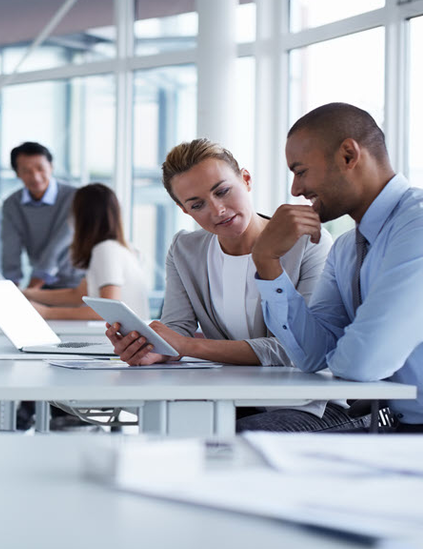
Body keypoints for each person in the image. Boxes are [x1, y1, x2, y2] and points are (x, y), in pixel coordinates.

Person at [250, 102, 423, 434]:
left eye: (300, 171)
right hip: (405, 433)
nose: (296, 190)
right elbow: (312, 355)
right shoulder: (346, 248)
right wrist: (267, 261)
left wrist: (343, 351)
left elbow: (363, 363)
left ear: (348, 155)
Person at [106, 138, 366, 432]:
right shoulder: (185, 250)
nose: (217, 210)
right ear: (184, 210)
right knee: (167, 429)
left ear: (246, 179)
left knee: (226, 438)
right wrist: (156, 348)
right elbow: (177, 327)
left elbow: (294, 350)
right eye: (197, 204)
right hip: (235, 399)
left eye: (223, 191)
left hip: (311, 403)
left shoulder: (308, 244)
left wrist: (188, 346)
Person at [23, 183, 149, 320]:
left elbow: (109, 310)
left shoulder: (106, 250)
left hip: (119, 338)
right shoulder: (122, 248)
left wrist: (47, 313)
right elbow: (77, 294)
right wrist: (26, 294)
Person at [0, 142, 84, 289]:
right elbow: (10, 248)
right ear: (17, 173)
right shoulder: (11, 204)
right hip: (42, 284)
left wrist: (32, 288)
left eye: (40, 168)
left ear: (51, 167)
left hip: (77, 283)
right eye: (26, 171)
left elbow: (58, 245)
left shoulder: (76, 197)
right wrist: (10, 289)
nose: (35, 177)